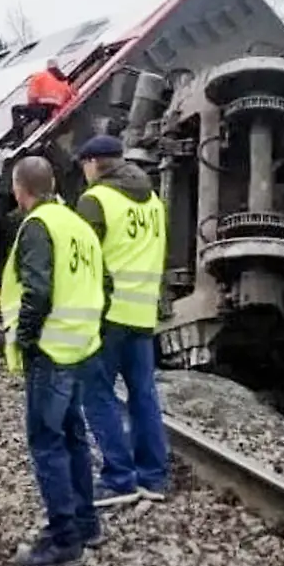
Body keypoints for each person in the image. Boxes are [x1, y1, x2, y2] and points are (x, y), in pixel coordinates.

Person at [1, 155, 105, 566]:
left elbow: (37, 291)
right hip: (79, 344)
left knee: (47, 443)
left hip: (50, 350)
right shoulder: (77, 224)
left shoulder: (38, 226)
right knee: (73, 436)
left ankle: (63, 539)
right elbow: (104, 283)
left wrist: (25, 339)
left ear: (19, 188)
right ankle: (86, 522)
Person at [73, 135, 170, 507]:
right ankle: (153, 477)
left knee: (97, 395)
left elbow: (84, 261)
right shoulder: (154, 202)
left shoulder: (95, 200)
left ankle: (118, 478)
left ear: (94, 162)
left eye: (84, 165)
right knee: (143, 395)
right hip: (142, 315)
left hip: (106, 315)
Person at [7, 59, 75, 145]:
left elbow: (32, 97)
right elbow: (70, 96)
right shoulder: (63, 81)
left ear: (47, 67)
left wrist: (31, 107)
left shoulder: (39, 76)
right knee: (34, 114)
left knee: (15, 109)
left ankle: (18, 138)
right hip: (53, 112)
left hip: (42, 110)